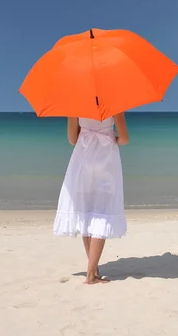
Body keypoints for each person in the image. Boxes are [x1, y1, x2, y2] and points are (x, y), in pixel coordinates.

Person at [52, 113, 129, 284]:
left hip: (82, 158)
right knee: (102, 210)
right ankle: (91, 273)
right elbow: (124, 138)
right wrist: (110, 136)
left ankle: (93, 269)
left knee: (86, 210)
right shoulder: (113, 105)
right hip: (106, 158)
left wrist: (87, 131)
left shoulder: (75, 106)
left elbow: (72, 139)